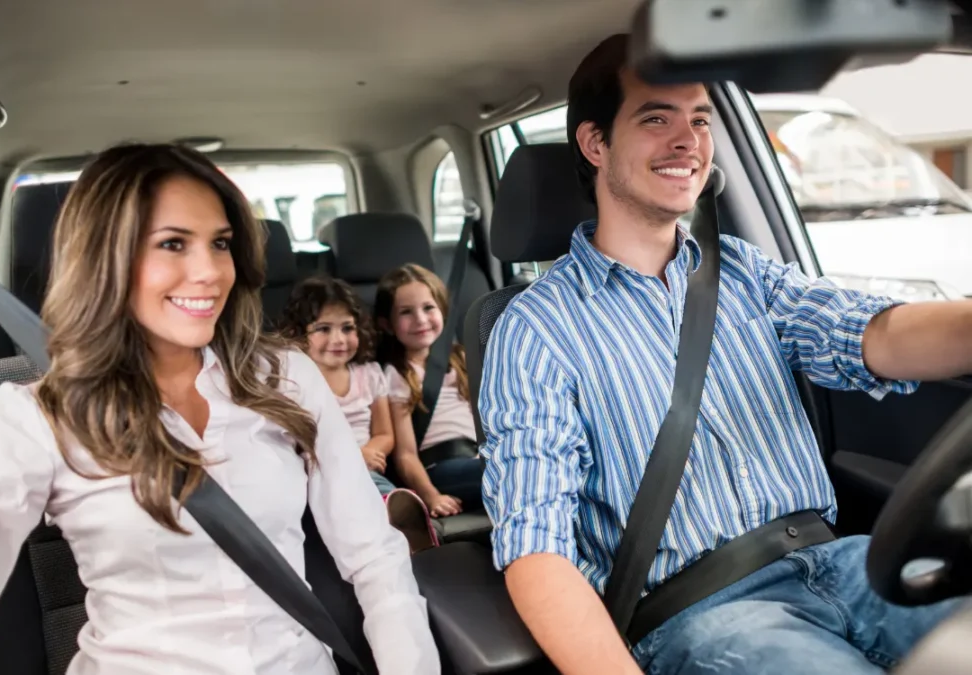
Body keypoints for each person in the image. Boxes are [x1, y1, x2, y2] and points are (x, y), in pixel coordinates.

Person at [478, 34, 972, 675]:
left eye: (701, 120)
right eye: (657, 118)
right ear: (596, 143)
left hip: (844, 562)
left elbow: (870, 333)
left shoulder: (742, 271)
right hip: (704, 613)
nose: (689, 141)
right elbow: (535, 546)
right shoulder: (536, 329)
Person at [0, 143, 440, 674]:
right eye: (173, 244)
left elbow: (375, 556)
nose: (210, 272)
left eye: (221, 243)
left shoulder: (287, 377)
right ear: (106, 256)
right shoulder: (36, 417)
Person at [279, 275, 438, 552]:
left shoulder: (370, 375)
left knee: (368, 483)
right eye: (324, 329)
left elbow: (385, 434)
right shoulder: (293, 382)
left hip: (365, 469)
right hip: (318, 466)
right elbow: (295, 440)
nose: (338, 339)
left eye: (347, 328)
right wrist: (349, 456)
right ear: (299, 335)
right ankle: (388, 523)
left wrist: (366, 453)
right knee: (337, 488)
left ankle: (401, 522)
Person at [374, 263, 483, 518]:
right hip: (439, 469)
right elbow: (406, 455)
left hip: (480, 456)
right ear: (387, 324)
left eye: (428, 308)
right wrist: (431, 496)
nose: (420, 320)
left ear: (443, 311)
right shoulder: (397, 375)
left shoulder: (462, 358)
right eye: (406, 312)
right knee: (511, 472)